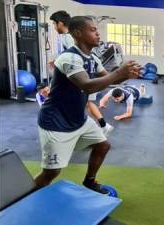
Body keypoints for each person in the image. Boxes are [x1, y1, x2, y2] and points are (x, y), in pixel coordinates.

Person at [35, 16, 141, 194]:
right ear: (78, 33)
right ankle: (23, 203)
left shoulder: (91, 57)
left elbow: (106, 80)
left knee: (103, 146)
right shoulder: (69, 57)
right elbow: (86, 85)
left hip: (79, 119)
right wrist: (119, 72)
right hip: (56, 122)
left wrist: (127, 75)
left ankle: (89, 182)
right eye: (92, 30)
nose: (98, 33)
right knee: (51, 172)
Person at [50, 10, 112, 135]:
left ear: (60, 23)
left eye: (54, 24)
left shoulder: (68, 38)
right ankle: (97, 126)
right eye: (93, 30)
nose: (54, 27)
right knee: (85, 103)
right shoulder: (69, 41)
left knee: (86, 102)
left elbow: (74, 58)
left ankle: (102, 126)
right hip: (81, 78)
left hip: (82, 78)